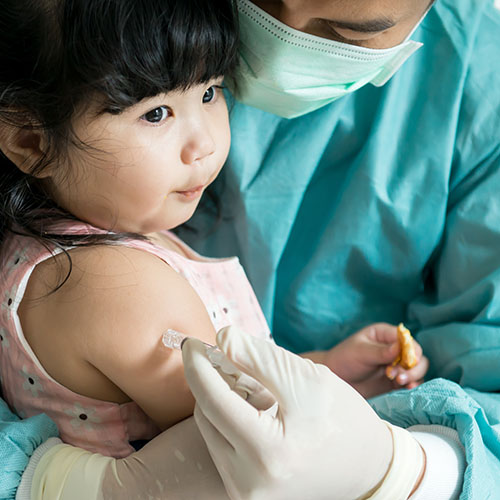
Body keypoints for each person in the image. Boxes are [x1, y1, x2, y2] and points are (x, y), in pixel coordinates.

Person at [1, 0, 499, 497]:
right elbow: (253, 429)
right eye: (156, 113)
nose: (206, 144)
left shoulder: (63, 241)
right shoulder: (120, 286)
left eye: (212, 91)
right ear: (29, 140)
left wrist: (331, 381)